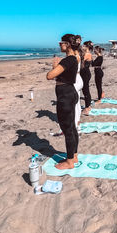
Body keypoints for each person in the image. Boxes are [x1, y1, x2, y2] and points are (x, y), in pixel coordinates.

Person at [46, 34, 80, 170]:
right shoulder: (72, 59)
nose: (59, 44)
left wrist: (55, 65)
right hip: (69, 93)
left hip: (66, 95)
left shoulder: (68, 60)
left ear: (68, 44)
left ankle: (70, 161)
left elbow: (49, 75)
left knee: (67, 129)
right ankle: (74, 155)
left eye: (61, 42)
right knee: (71, 127)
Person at [80, 41, 93, 115]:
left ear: (87, 47)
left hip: (85, 73)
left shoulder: (87, 54)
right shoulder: (88, 54)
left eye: (84, 46)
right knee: (86, 90)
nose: (82, 47)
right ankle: (88, 106)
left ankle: (87, 108)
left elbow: (81, 64)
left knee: (86, 91)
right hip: (86, 73)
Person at [73, 36, 83, 127]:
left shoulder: (75, 54)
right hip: (78, 77)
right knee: (77, 101)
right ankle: (78, 119)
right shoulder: (78, 53)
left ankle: (76, 122)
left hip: (76, 78)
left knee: (75, 102)